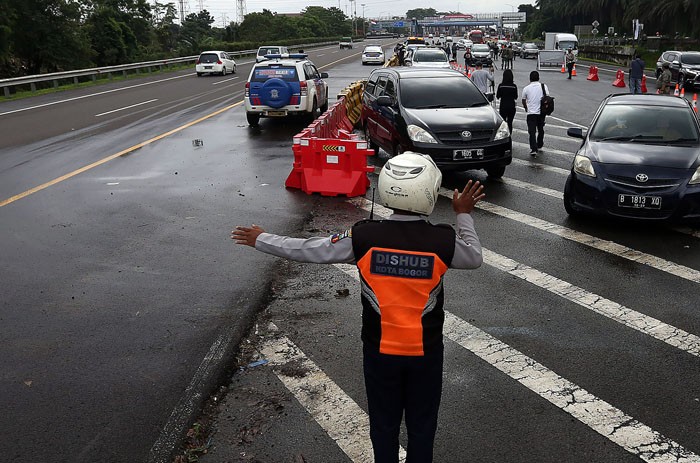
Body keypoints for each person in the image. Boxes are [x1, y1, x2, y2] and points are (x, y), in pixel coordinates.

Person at [231, 152, 485, 463]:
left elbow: (309, 250)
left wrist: (262, 239)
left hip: (379, 352)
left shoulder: (363, 236)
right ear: (430, 193)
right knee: (422, 427)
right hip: (426, 353)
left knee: (383, 425)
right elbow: (473, 257)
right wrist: (463, 214)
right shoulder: (442, 241)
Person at [521, 70, 547, 155]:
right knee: (541, 129)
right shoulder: (544, 86)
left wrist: (526, 108)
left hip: (531, 113)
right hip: (541, 113)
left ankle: (533, 148)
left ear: (530, 78)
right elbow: (547, 98)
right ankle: (540, 143)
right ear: (538, 78)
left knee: (532, 132)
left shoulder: (526, 88)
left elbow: (523, 100)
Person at [496, 69, 518, 133]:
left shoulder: (501, 86)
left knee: (503, 122)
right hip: (511, 106)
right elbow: (516, 97)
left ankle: (504, 135)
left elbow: (498, 96)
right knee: (510, 122)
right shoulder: (514, 86)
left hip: (503, 105)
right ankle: (509, 134)